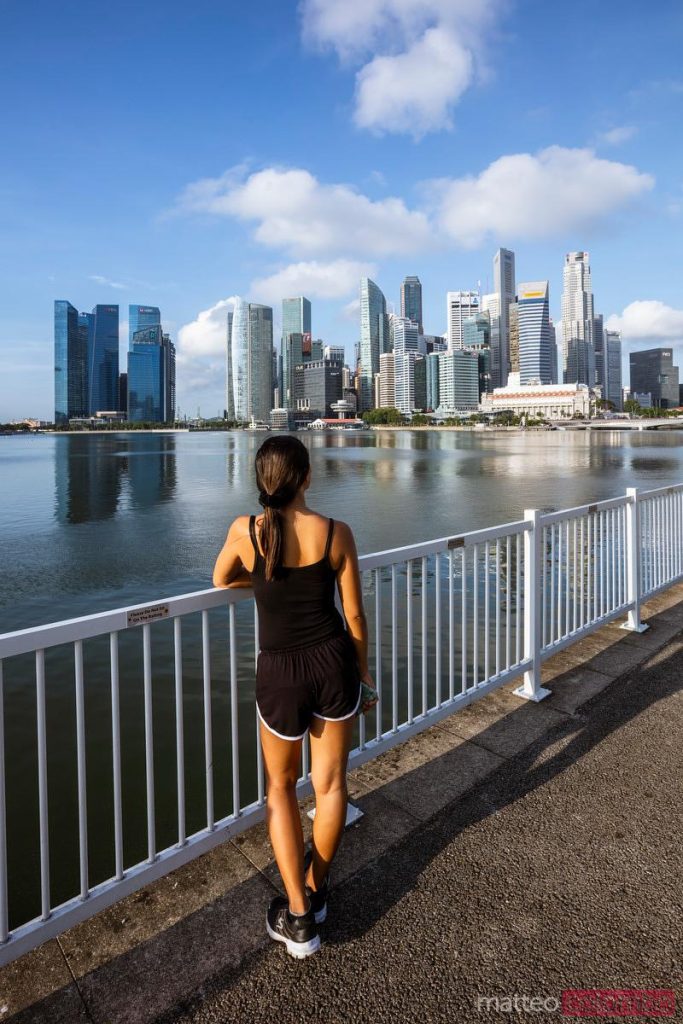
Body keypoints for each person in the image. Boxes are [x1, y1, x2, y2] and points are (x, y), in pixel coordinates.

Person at [212, 434, 377, 959]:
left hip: (280, 672)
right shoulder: (336, 532)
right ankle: (317, 887)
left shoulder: (247, 531)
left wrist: (262, 583)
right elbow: (353, 615)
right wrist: (363, 676)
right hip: (333, 664)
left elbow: (220, 580)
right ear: (307, 478)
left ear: (262, 481)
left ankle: (299, 916)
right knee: (330, 787)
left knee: (281, 789)